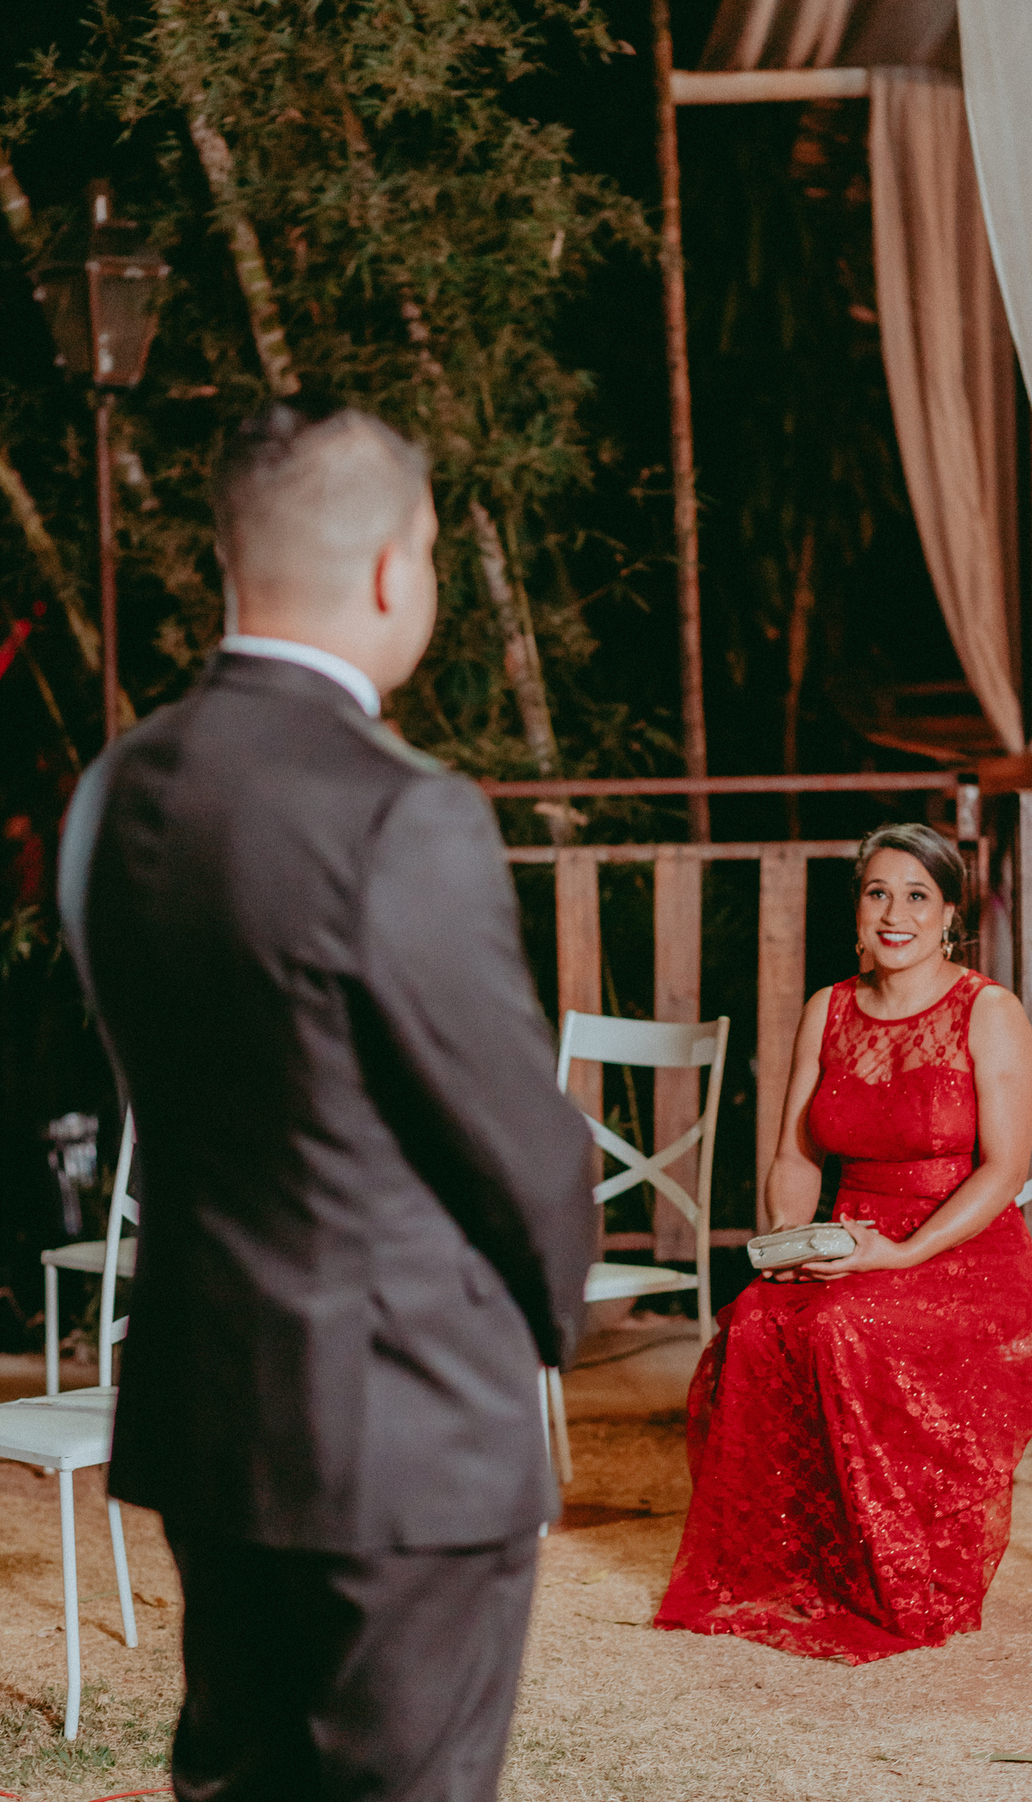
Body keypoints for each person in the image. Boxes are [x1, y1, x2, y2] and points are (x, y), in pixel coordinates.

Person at [58, 406, 596, 1801]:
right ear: (391, 570)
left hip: (209, 1406)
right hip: (409, 1437)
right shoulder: (401, 811)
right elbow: (525, 1147)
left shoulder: (117, 790)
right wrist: (542, 1335)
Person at [654, 823, 1032, 1664]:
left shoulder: (989, 1010)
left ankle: (888, 1572)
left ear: (950, 914)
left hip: (961, 1252)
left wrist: (900, 1254)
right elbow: (797, 1155)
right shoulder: (827, 1009)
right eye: (878, 893)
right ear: (858, 910)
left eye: (917, 896)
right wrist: (793, 1244)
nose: (895, 914)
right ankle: (795, 1566)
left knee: (842, 1327)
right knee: (755, 1321)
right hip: (850, 1238)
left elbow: (1004, 1170)